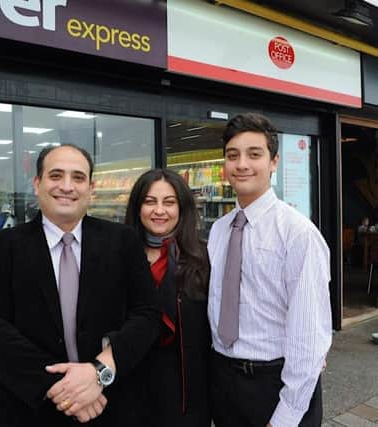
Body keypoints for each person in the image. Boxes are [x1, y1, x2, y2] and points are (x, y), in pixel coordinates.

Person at [0, 144, 159, 426]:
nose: (67, 186)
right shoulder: (1, 247)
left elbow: (147, 314)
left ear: (91, 188)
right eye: (56, 175)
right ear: (37, 183)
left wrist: (98, 372)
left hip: (110, 405)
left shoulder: (122, 241)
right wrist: (65, 389)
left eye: (78, 177)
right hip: (27, 408)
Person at [207, 113, 332, 427]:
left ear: (274, 162)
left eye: (254, 154)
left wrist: (286, 416)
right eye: (232, 155)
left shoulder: (298, 234)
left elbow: (309, 333)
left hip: (275, 384)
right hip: (224, 380)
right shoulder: (219, 231)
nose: (242, 164)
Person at [125, 168, 211, 427]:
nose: (159, 211)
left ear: (182, 208)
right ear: (138, 207)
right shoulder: (118, 254)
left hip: (185, 392)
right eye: (150, 201)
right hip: (129, 388)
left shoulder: (204, 257)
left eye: (169, 202)